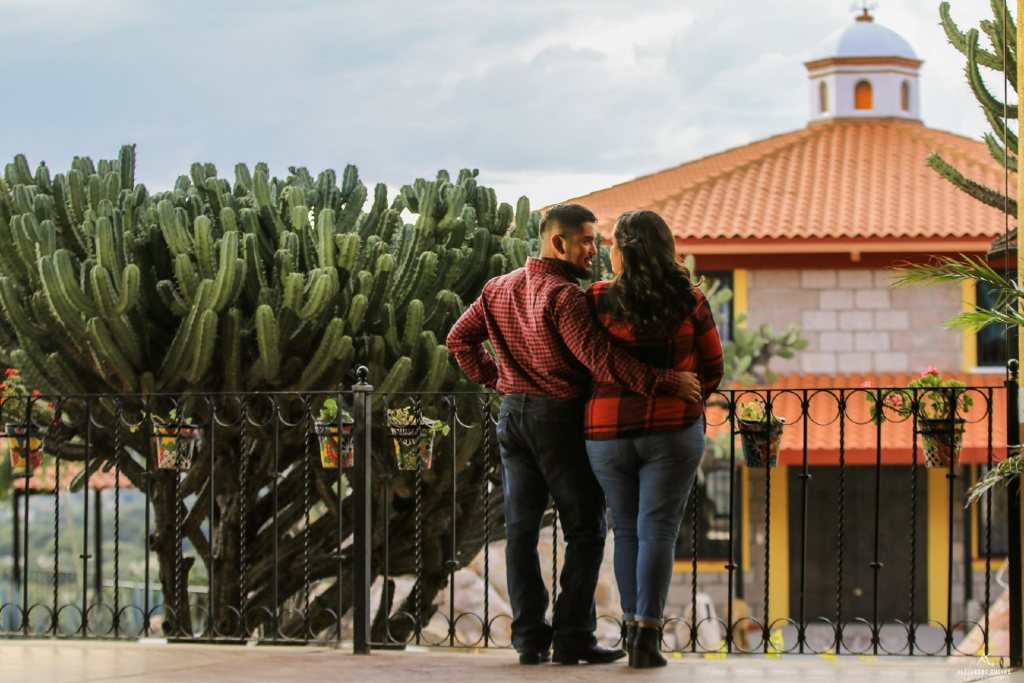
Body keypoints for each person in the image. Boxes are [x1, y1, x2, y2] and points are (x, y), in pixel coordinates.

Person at [446, 203, 702, 666]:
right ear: (558, 242)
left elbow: (458, 339)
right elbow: (600, 359)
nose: (596, 249)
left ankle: (527, 638)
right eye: (586, 239)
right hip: (560, 419)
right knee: (586, 529)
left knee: (521, 530)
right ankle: (572, 636)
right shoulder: (565, 297)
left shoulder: (497, 288)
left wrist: (497, 380)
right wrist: (666, 382)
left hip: (513, 418)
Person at [583, 209, 724, 668]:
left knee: (625, 530)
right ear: (665, 247)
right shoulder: (689, 299)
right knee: (657, 530)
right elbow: (714, 366)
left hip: (606, 431)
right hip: (673, 429)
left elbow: (591, 361)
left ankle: (628, 626)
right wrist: (684, 390)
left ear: (621, 251)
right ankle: (646, 636)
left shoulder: (597, 298)